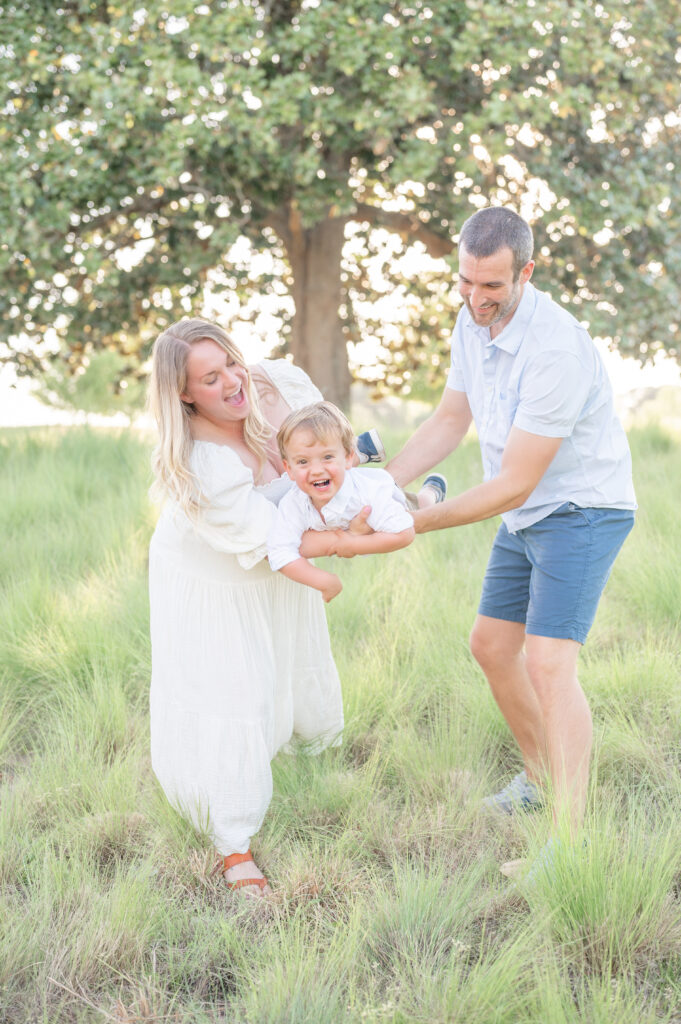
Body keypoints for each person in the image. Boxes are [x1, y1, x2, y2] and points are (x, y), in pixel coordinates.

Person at [385, 206, 636, 867]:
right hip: (525, 513)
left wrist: (415, 522)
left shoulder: (554, 347)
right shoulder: (471, 321)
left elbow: (516, 482)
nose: (475, 298)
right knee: (492, 647)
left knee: (550, 665)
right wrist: (382, 487)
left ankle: (569, 843)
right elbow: (450, 418)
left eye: (491, 286)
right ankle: (538, 778)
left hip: (580, 510)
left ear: (525, 272)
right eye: (465, 282)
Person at [148, 318, 374, 897]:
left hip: (271, 565)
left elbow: (326, 457)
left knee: (284, 664)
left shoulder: (276, 389)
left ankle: (296, 760)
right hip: (218, 580)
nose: (232, 381)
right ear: (183, 392)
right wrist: (354, 538)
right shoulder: (202, 464)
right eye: (210, 377)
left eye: (231, 362)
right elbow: (278, 535)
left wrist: (369, 499)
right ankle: (233, 846)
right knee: (235, 692)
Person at [268, 401, 419, 602]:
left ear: (349, 458)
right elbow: (279, 550)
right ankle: (362, 448)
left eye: (327, 457)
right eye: (303, 462)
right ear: (288, 469)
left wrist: (355, 544)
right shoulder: (293, 502)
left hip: (388, 493)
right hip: (348, 509)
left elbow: (404, 534)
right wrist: (323, 581)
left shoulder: (369, 495)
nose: (316, 470)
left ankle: (429, 494)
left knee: (415, 506)